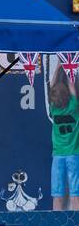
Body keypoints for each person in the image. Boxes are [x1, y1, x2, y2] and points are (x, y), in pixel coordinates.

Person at [47, 64, 79, 211]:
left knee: (57, 193)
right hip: (73, 154)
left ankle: (55, 222)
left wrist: (58, 67)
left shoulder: (54, 108)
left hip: (58, 155)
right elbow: (71, 84)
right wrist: (68, 66)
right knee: (75, 191)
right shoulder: (73, 106)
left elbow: (51, 87)